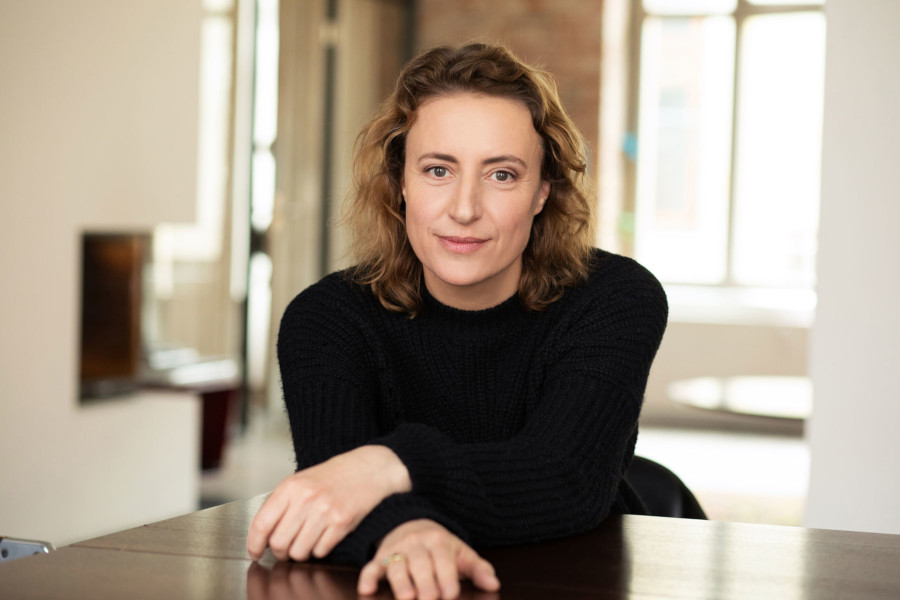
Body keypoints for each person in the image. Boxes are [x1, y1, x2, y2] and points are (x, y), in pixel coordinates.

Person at [246, 42, 667, 600]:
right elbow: (333, 491)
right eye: (438, 170)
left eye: (502, 175)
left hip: (576, 577)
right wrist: (404, 529)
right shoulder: (327, 318)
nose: (464, 208)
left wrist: (388, 466)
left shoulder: (614, 298)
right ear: (401, 183)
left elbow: (564, 478)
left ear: (543, 191)